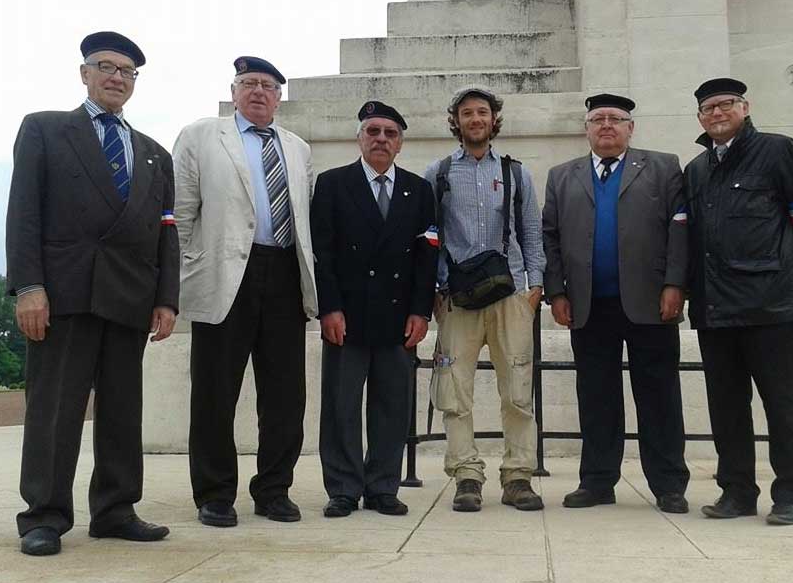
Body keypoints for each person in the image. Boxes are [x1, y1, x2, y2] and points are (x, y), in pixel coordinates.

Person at [6, 31, 178, 556]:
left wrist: (166, 298)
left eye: (127, 72)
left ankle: (116, 508)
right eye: (106, 67)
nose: (116, 78)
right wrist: (29, 287)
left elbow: (166, 229)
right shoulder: (45, 130)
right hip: (65, 295)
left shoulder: (152, 153)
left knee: (123, 411)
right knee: (55, 410)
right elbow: (24, 213)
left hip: (129, 297)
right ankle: (45, 514)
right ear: (84, 73)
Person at [172, 56, 317, 527]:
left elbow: (304, 216)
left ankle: (274, 489)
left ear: (279, 97)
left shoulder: (297, 148)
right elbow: (181, 214)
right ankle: (214, 494)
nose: (259, 91)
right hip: (224, 273)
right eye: (249, 83)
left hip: (283, 274)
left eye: (269, 85)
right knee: (215, 391)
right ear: (233, 91)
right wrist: (182, 276)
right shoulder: (201, 136)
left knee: (285, 395)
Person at [683, 77, 793, 526]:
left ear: (745, 108)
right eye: (709, 108)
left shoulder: (779, 150)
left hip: (769, 305)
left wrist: (785, 270)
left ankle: (791, 494)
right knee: (726, 407)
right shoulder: (697, 168)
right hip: (714, 307)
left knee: (781, 404)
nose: (717, 113)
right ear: (701, 119)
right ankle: (737, 491)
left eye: (726, 104)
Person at [542, 93, 691, 513]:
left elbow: (679, 230)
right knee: (596, 397)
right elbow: (549, 236)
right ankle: (597, 481)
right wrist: (557, 292)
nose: (606, 125)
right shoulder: (561, 176)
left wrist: (675, 284)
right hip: (589, 305)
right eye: (597, 119)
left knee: (659, 396)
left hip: (651, 302)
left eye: (616, 119)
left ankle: (668, 484)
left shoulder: (663, 167)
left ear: (631, 127)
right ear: (586, 128)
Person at [311, 101, 438, 518]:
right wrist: (328, 307)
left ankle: (384, 486)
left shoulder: (419, 191)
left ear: (400, 143)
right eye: (373, 131)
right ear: (359, 138)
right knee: (341, 405)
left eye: (390, 133)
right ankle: (344, 488)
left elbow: (426, 256)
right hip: (346, 316)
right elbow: (322, 253)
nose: (381, 139)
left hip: (398, 317)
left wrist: (421, 311)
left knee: (392, 406)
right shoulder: (332, 184)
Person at [424, 86, 546, 512]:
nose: (475, 119)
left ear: (494, 120)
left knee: (517, 389)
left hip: (510, 294)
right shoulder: (437, 172)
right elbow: (429, 237)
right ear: (455, 121)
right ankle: (466, 475)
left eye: (482, 112)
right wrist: (436, 291)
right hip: (456, 299)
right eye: (466, 113)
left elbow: (531, 229)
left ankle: (518, 476)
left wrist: (535, 287)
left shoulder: (517, 173)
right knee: (454, 390)